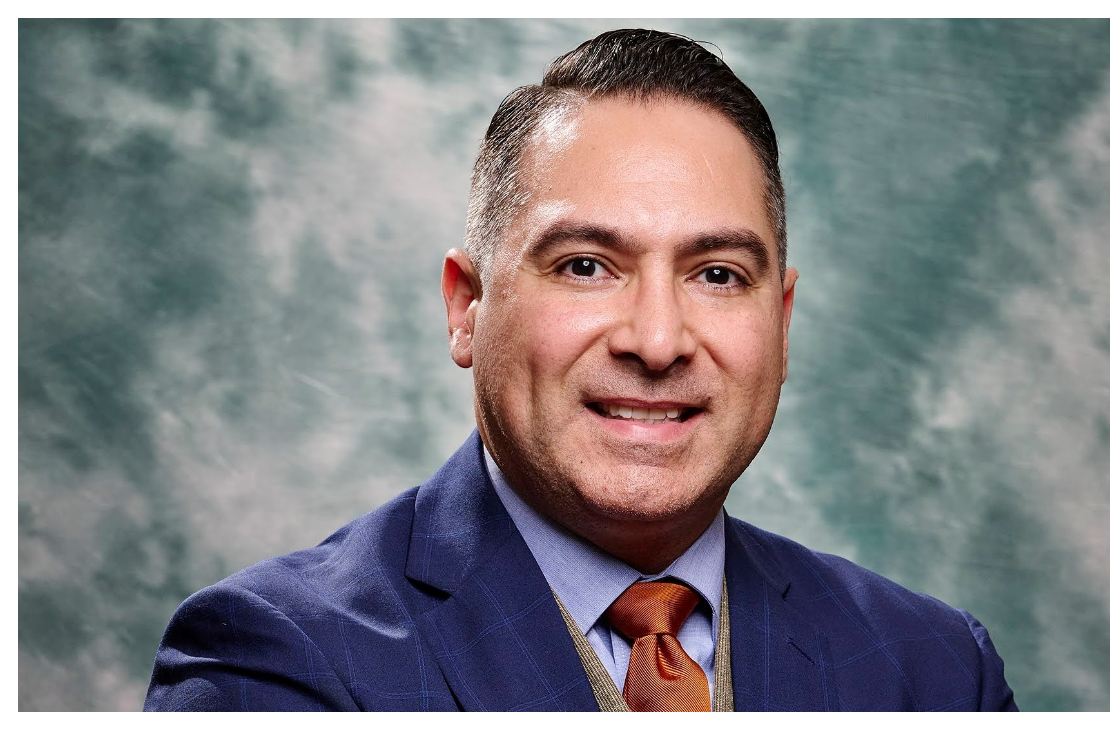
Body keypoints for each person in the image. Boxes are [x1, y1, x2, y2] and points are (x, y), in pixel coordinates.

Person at [144, 29, 1017, 712]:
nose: (658, 338)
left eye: (717, 274)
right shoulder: (277, 659)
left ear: (780, 327)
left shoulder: (934, 670)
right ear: (467, 307)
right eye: (586, 265)